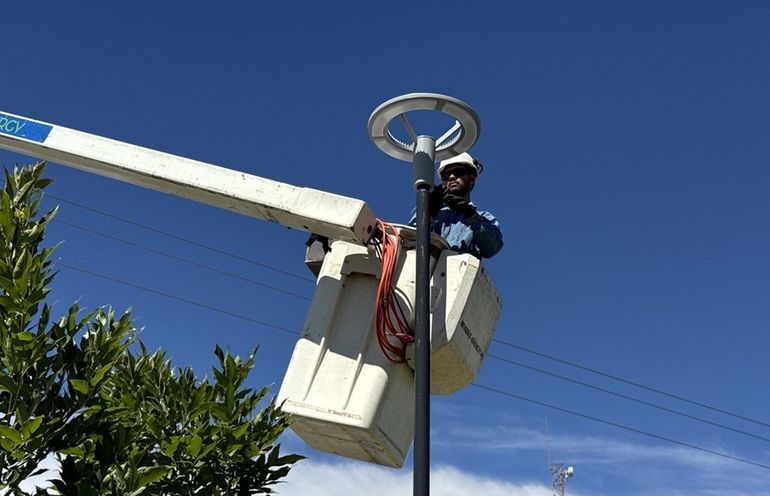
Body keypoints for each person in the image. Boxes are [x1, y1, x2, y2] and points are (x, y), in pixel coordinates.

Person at [409, 152, 503, 259]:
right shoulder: (432, 211)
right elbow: (410, 239)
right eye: (446, 175)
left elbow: (492, 248)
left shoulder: (483, 218)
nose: (452, 177)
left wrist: (470, 214)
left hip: (457, 273)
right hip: (428, 272)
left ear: (471, 178)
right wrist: (428, 210)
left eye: (458, 172)